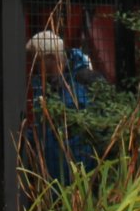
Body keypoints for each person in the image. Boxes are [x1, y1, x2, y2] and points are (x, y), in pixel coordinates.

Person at [25, 29, 96, 179]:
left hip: (78, 172)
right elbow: (42, 125)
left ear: (51, 58)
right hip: (51, 174)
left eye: (38, 61)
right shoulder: (42, 84)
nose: (35, 66)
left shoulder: (82, 79)